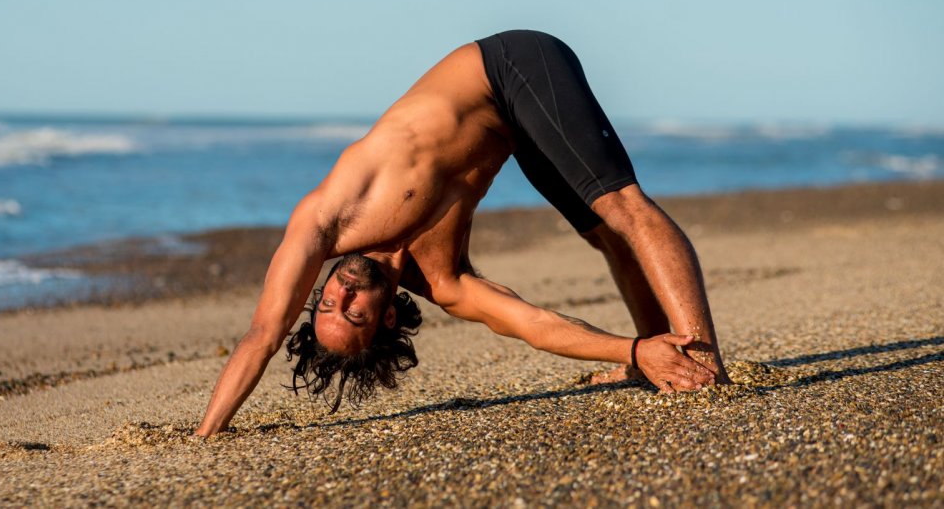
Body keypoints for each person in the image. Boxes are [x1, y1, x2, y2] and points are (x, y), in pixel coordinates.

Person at [196, 30, 730, 436]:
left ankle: (703, 362)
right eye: (353, 312)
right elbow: (534, 324)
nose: (342, 294)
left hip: (509, 66)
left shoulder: (326, 219)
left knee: (623, 207)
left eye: (328, 304)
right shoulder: (445, 279)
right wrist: (634, 353)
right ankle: (665, 355)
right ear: (385, 318)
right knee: (604, 233)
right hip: (517, 127)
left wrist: (206, 434)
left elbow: (263, 335)